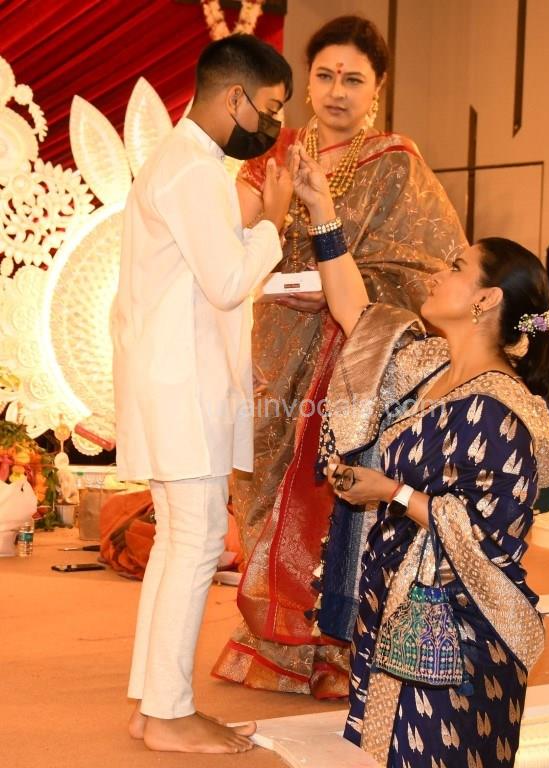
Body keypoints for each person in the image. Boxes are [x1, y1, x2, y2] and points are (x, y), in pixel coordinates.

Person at [287, 142, 549, 767]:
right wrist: (321, 209)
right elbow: (356, 314)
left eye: (457, 267)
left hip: (459, 629)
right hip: (396, 599)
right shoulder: (426, 365)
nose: (438, 274)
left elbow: (487, 537)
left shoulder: (501, 411)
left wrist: (390, 492)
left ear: (486, 300)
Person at [213, 15, 467, 699]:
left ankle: (333, 648)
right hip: (274, 342)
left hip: (350, 353)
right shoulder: (276, 151)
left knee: (332, 492)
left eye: (353, 79)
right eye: (324, 76)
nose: (336, 91)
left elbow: (425, 268)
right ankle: (274, 638)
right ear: (306, 83)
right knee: (263, 484)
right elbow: (226, 233)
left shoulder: (395, 162)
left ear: (376, 89)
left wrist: (340, 279)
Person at [112, 34, 293, 754]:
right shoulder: (192, 170)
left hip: (172, 377)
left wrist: (248, 224)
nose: (273, 123)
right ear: (234, 97)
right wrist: (273, 221)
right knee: (194, 544)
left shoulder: (186, 163)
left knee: (177, 543)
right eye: (270, 108)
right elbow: (226, 283)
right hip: (182, 383)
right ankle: (168, 714)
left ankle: (151, 705)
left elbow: (205, 267)